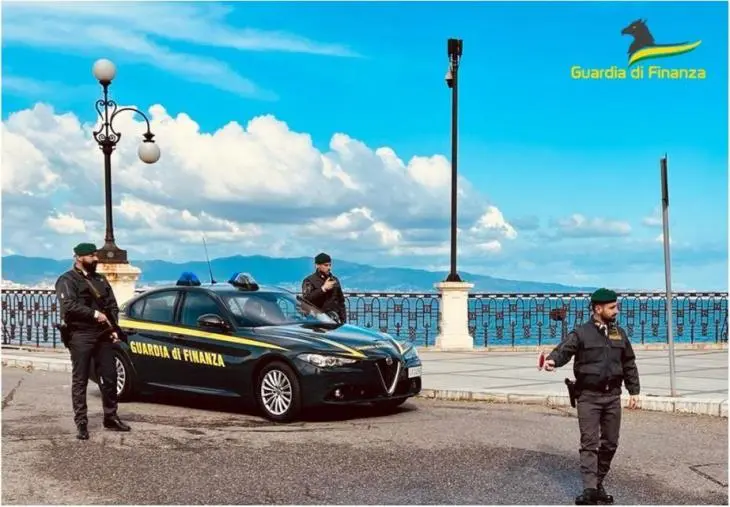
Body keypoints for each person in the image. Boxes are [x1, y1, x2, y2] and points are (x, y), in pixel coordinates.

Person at [541, 288, 640, 505]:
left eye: (616, 306)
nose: (617, 311)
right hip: (588, 397)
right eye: (612, 307)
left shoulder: (619, 333)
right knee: (589, 443)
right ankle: (589, 490)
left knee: (611, 443)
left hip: (613, 396)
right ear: (598, 308)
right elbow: (564, 350)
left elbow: (629, 362)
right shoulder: (581, 332)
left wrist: (634, 391)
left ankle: (597, 483)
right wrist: (551, 361)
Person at [55, 242, 131, 440]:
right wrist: (93, 314)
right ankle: (81, 423)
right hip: (81, 334)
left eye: (95, 255)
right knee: (80, 380)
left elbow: (112, 305)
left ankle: (110, 417)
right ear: (79, 258)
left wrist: (113, 328)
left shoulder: (100, 279)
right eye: (91, 256)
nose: (96, 259)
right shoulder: (67, 280)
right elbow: (69, 305)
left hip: (103, 335)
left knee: (110, 376)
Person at [301, 252, 347, 323]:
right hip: (317, 321)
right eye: (326, 265)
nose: (329, 268)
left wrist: (343, 321)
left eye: (330, 265)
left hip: (334, 320)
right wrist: (323, 289)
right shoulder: (309, 281)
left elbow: (341, 302)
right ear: (317, 265)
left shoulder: (334, 280)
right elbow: (306, 300)